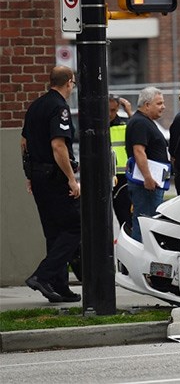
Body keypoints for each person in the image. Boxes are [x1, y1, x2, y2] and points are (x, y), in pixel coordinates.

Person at [21, 66, 81, 303]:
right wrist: (70, 178)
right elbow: (58, 146)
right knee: (75, 227)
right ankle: (43, 276)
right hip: (54, 178)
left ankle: (59, 286)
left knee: (54, 233)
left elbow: (24, 143)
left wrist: (29, 175)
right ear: (68, 82)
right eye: (73, 83)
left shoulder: (36, 105)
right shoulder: (59, 107)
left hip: (38, 176)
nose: (73, 87)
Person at [125, 87, 168, 242]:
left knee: (149, 223)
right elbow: (139, 151)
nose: (163, 107)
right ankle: (139, 263)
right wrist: (148, 177)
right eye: (159, 103)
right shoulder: (140, 123)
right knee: (145, 224)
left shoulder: (144, 122)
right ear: (147, 105)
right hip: (147, 185)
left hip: (151, 183)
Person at [109, 94, 133, 230]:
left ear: (118, 109)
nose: (109, 114)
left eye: (113, 110)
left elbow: (138, 127)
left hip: (122, 178)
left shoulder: (125, 124)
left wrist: (129, 112)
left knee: (125, 218)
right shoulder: (95, 125)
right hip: (102, 177)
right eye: (107, 109)